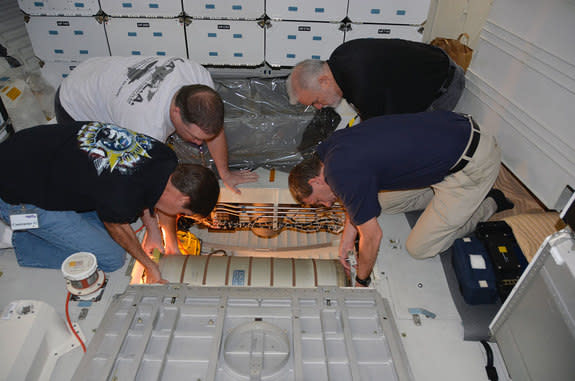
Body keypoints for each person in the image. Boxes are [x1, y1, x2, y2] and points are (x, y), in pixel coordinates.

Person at [288, 111, 513, 287]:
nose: (327, 205)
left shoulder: (339, 175)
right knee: (381, 203)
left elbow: (373, 237)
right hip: (455, 130)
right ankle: (440, 200)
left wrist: (361, 280)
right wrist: (349, 236)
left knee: (419, 248)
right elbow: (353, 194)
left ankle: (491, 201)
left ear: (316, 182)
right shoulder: (329, 150)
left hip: (472, 165)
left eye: (318, 201)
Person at [0, 121, 220, 283]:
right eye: (185, 213)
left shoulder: (166, 158)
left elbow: (151, 193)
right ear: (183, 198)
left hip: (29, 150)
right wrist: (150, 266)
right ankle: (17, 238)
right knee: (112, 257)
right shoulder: (122, 195)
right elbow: (117, 227)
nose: (180, 216)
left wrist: (164, 238)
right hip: (16, 192)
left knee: (112, 219)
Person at [55, 56, 258, 194]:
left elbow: (213, 129)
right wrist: (158, 232)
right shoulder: (145, 127)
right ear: (176, 112)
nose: (198, 143)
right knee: (99, 173)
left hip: (103, 74)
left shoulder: (198, 77)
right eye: (194, 137)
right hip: (76, 99)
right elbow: (143, 183)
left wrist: (225, 173)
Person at [286, 38, 466, 121]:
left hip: (445, 89)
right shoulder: (341, 55)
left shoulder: (361, 86)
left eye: (316, 101)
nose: (319, 107)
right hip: (441, 64)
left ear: (324, 81)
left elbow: (384, 130)